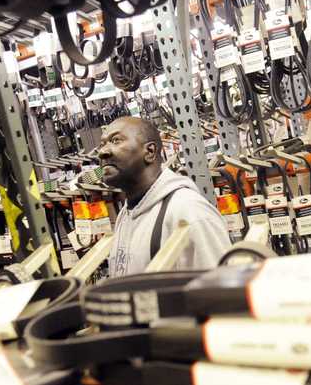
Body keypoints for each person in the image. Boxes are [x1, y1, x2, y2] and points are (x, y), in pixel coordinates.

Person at [97, 116, 231, 277]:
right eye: (102, 144)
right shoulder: (126, 215)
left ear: (150, 152)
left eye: (116, 140)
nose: (102, 152)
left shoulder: (188, 211)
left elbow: (220, 292)